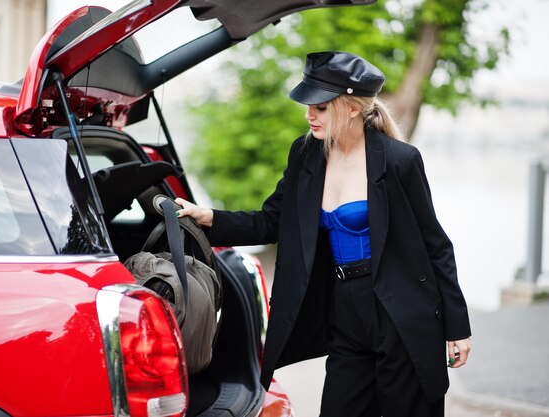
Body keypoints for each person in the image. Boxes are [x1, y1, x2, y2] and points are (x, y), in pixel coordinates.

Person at [176, 51, 471, 417]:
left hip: (400, 313)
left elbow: (436, 244)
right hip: (343, 310)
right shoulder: (306, 155)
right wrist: (209, 218)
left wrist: (457, 327)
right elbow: (271, 221)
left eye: (319, 106)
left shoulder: (399, 160)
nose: (308, 114)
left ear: (350, 108)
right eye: (307, 105)